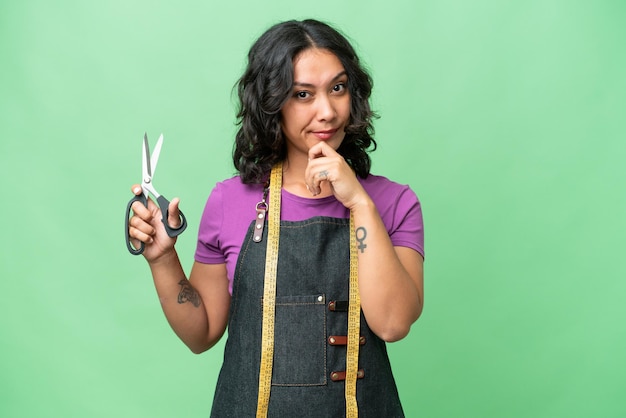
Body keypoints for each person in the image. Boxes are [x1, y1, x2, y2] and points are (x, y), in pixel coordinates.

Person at [127, 18, 424, 417]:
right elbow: (201, 333)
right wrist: (163, 260)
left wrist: (360, 203)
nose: (327, 111)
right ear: (273, 104)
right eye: (303, 94)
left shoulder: (393, 202)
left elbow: (393, 323)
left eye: (338, 88)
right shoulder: (229, 201)